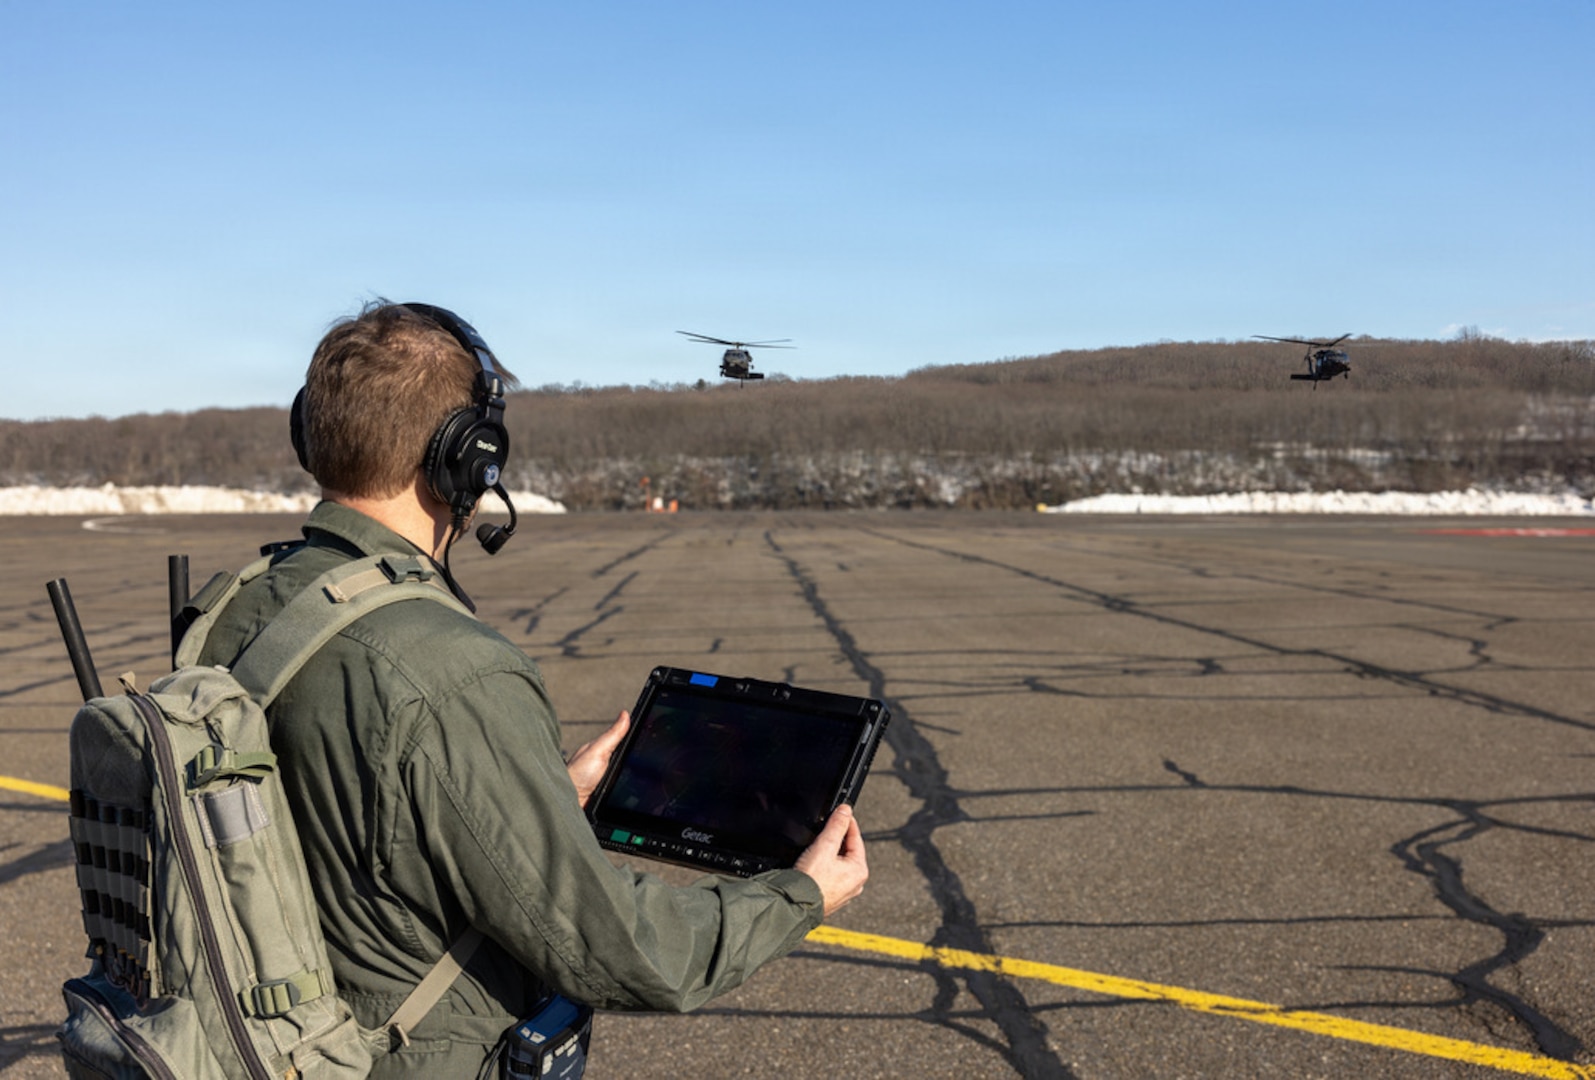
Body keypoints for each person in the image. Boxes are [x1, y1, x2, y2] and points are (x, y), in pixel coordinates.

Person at [197, 301, 868, 1077]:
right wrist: (800, 896)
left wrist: (530, 791)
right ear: (470, 456)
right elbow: (613, 949)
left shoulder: (241, 605)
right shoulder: (451, 667)